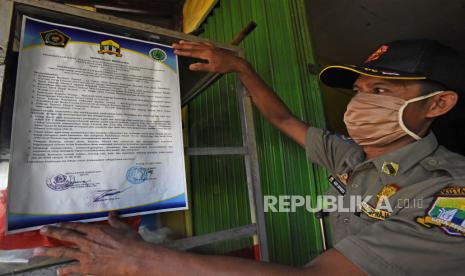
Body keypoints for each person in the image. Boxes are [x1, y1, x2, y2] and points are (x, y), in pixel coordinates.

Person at [34, 39, 465, 276]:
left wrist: (141, 260)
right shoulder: (350, 156)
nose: (359, 104)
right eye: (358, 92)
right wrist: (241, 68)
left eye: (381, 91)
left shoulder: (448, 193)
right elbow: (281, 119)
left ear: (438, 104)